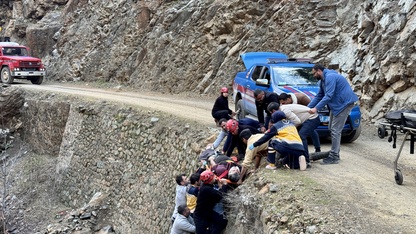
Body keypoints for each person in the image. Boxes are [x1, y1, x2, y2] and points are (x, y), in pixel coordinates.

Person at [307, 64, 359, 165]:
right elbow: (319, 96)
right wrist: (307, 108)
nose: (313, 76)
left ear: (318, 71)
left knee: (335, 130)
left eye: (314, 73)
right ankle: (334, 153)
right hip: (336, 105)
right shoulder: (323, 80)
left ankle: (334, 156)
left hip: (344, 104)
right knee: (331, 128)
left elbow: (328, 96)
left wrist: (316, 108)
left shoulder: (330, 77)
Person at [267, 102, 321, 166]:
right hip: (304, 119)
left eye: (271, 113)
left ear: (273, 111)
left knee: (301, 136)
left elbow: (297, 121)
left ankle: (306, 160)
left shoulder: (285, 111)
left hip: (312, 118)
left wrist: (288, 128)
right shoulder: (281, 110)